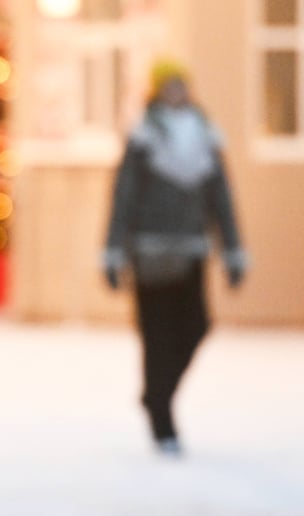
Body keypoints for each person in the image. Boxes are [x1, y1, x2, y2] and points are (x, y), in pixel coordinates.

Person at [104, 60, 246, 456]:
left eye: (181, 85)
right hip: (148, 252)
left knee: (196, 326)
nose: (175, 92)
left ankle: (156, 394)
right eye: (168, 86)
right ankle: (163, 421)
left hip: (191, 250)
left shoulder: (204, 136)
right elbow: (124, 197)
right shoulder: (143, 137)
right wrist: (114, 250)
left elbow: (221, 198)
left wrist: (233, 249)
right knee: (157, 336)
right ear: (156, 90)